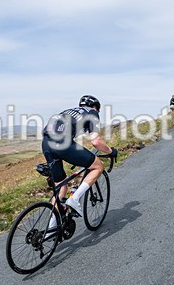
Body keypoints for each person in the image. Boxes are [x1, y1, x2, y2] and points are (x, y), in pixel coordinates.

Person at [41, 95, 117, 236]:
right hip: (62, 143)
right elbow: (96, 142)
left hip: (46, 143)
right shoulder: (92, 113)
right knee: (97, 166)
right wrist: (111, 151)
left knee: (61, 185)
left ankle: (50, 229)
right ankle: (74, 199)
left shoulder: (69, 111)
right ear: (96, 107)